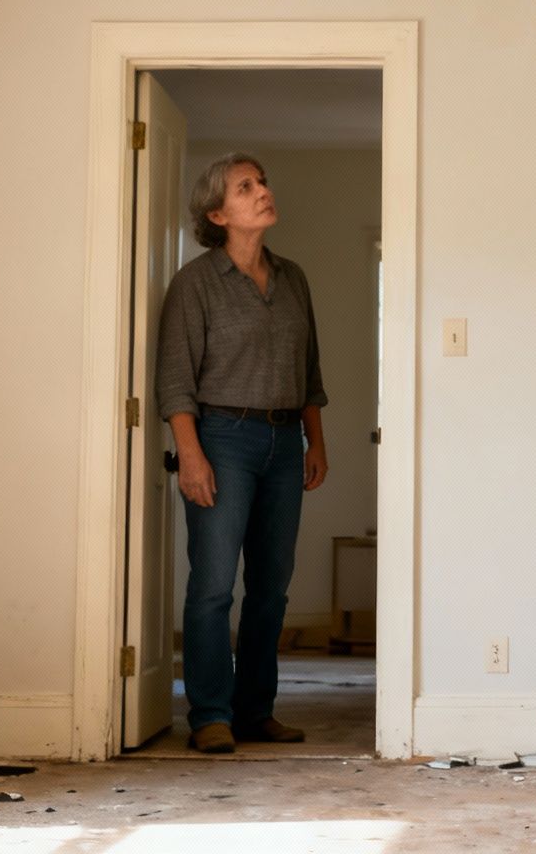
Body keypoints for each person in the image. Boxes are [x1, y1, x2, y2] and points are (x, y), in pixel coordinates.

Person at [156, 152, 331, 754]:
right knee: (212, 586)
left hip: (286, 443)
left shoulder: (294, 279)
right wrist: (191, 455)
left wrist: (316, 440)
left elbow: (309, 371)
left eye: (263, 182)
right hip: (221, 440)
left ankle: (256, 711)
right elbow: (176, 380)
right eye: (245, 187)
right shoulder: (195, 284)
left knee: (271, 587)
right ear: (217, 213)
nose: (262, 192)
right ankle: (210, 714)